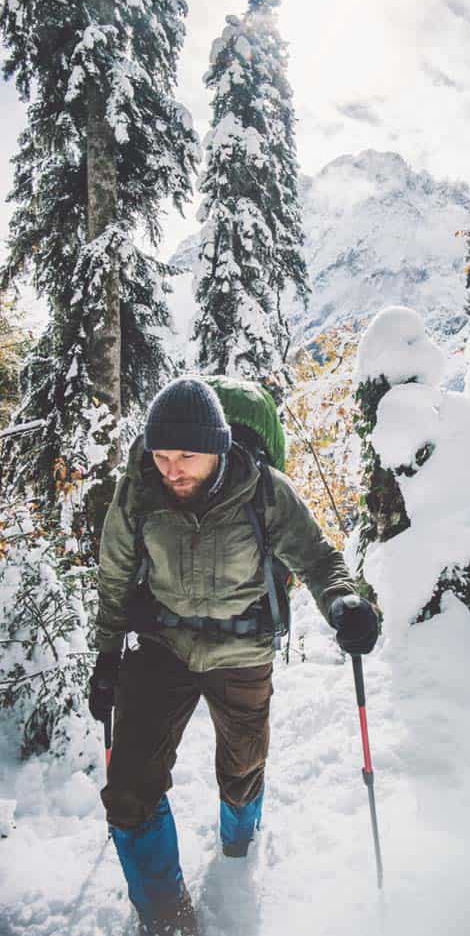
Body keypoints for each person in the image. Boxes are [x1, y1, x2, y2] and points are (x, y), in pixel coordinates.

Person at [88, 377, 381, 936]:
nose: (172, 468)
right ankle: (167, 921)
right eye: (162, 454)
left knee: (242, 767)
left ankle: (238, 838)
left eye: (186, 457)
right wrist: (106, 658)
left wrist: (345, 603)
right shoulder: (140, 492)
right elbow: (114, 577)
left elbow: (318, 558)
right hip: (162, 646)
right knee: (128, 790)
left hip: (242, 650)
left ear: (218, 449)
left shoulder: (265, 490)